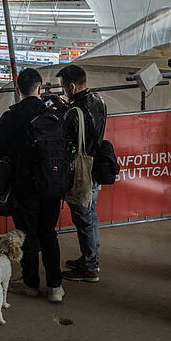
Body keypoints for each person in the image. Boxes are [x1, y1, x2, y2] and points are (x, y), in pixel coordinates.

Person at [0, 68, 66, 303]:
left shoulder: (11, 117)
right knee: (49, 233)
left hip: (24, 187)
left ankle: (31, 284)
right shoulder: (53, 115)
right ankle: (56, 287)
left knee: (28, 235)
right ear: (40, 88)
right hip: (52, 184)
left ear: (17, 89)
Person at [49, 64, 107, 282]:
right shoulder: (99, 101)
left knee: (83, 218)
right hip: (95, 165)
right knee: (91, 214)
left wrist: (60, 112)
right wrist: (66, 106)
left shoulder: (74, 112)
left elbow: (69, 137)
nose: (63, 90)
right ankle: (89, 257)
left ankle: (90, 267)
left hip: (81, 171)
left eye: (63, 87)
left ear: (72, 86)